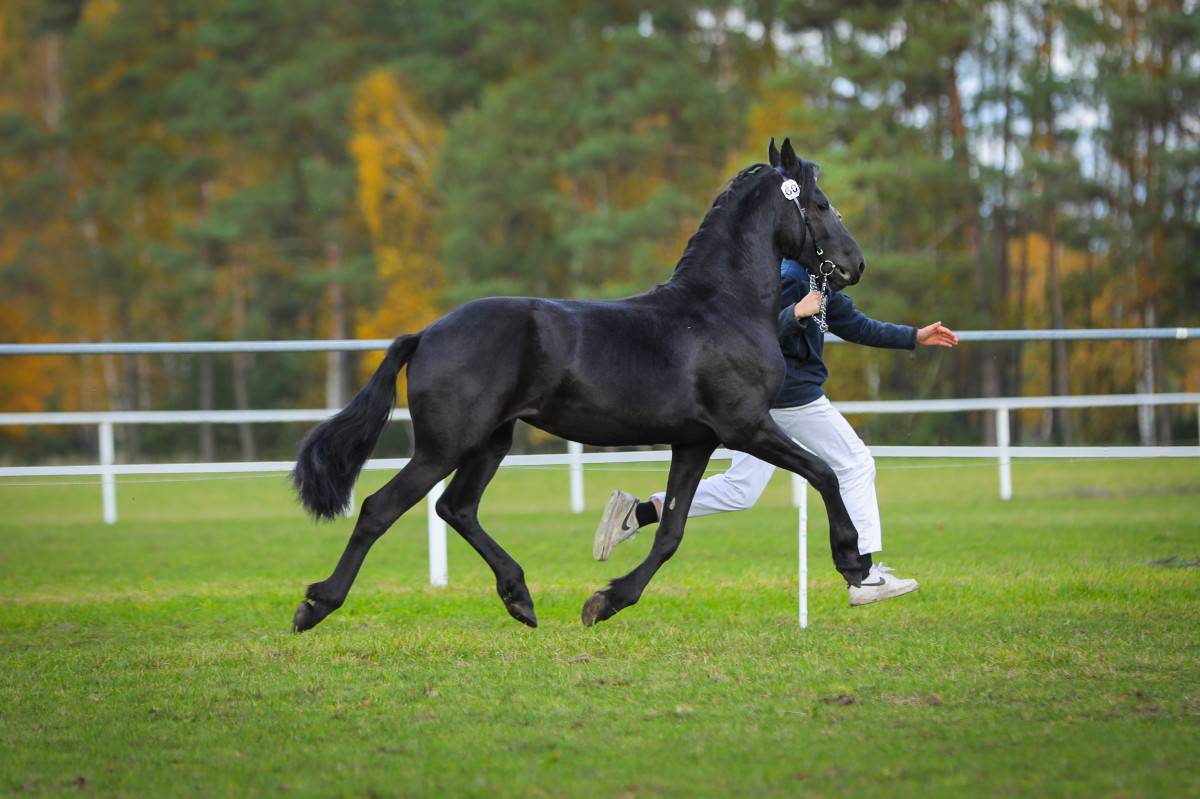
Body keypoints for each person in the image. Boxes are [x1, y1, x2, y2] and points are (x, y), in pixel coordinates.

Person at [593, 257, 959, 606]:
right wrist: (795, 314)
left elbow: (853, 324)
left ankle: (637, 514)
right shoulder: (790, 277)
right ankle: (863, 576)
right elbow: (756, 335)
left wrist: (913, 336)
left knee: (742, 489)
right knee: (856, 464)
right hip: (791, 398)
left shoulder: (816, 277)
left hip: (769, 399)